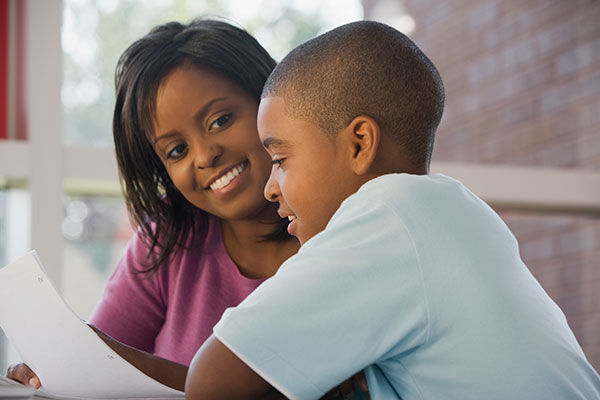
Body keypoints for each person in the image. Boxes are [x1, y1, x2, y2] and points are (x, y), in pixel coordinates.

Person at [185, 20, 600, 399]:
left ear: (360, 144)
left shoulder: (384, 217)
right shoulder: (457, 210)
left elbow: (211, 381)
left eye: (280, 159)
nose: (271, 188)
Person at [6, 18, 300, 393]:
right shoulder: (170, 235)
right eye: (177, 150)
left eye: (220, 120)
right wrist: (52, 372)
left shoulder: (342, 233)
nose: (205, 155)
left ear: (269, 101)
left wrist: (120, 361)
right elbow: (96, 365)